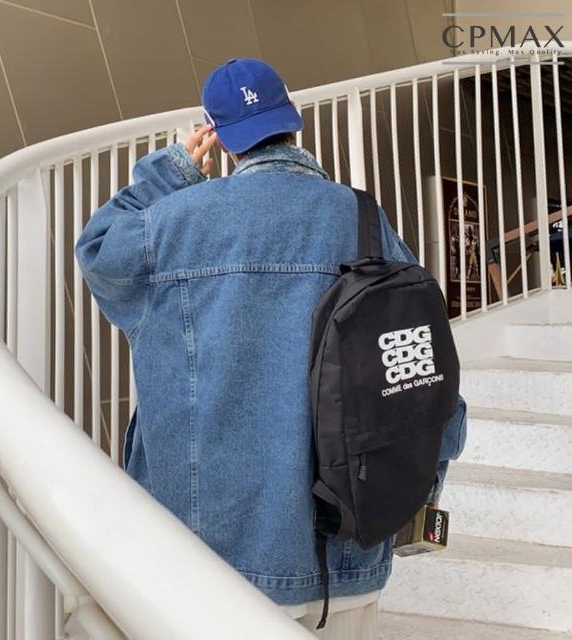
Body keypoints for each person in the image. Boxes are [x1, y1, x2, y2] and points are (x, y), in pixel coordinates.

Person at [75, 58, 467, 639]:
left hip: (208, 569)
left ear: (218, 135)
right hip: (347, 559)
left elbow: (97, 249)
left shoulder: (171, 225)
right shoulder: (363, 219)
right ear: (294, 119)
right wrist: (420, 495)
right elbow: (425, 373)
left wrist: (171, 172)